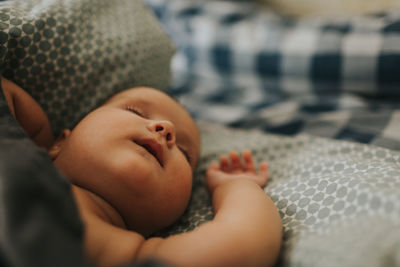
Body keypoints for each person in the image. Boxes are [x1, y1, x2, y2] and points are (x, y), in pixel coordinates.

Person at [1, 77, 282, 267]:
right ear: (60, 143)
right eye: (136, 111)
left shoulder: (128, 254)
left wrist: (236, 186)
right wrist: (38, 136)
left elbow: (243, 243)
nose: (166, 129)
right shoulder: (15, 150)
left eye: (185, 154)